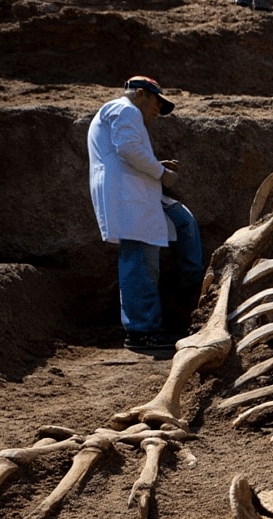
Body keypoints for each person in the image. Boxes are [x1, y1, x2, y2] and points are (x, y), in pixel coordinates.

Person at [87, 76, 205, 353]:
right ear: (141, 94)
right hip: (128, 196)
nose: (157, 111)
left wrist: (155, 165)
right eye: (156, 103)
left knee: (182, 220)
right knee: (141, 259)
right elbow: (127, 149)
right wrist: (162, 172)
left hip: (138, 193)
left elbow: (126, 151)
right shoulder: (124, 108)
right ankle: (142, 332)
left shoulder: (123, 112)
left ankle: (192, 295)